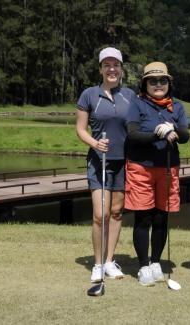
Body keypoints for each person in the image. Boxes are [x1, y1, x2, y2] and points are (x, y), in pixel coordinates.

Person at [125, 61, 190, 286]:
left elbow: (185, 135)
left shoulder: (177, 107)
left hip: (168, 167)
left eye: (162, 80)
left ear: (168, 84)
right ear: (145, 84)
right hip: (141, 167)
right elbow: (132, 134)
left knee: (162, 217)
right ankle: (143, 266)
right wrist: (157, 134)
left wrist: (173, 130)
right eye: (153, 81)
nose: (158, 84)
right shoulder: (137, 103)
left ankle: (155, 262)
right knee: (143, 218)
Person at [76, 47, 134, 282]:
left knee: (117, 213)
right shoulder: (89, 94)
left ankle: (110, 261)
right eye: (107, 65)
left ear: (121, 69)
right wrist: (94, 143)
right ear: (100, 69)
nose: (112, 69)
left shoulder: (130, 95)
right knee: (100, 215)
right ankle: (98, 264)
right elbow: (80, 128)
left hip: (123, 162)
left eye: (116, 65)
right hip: (98, 161)